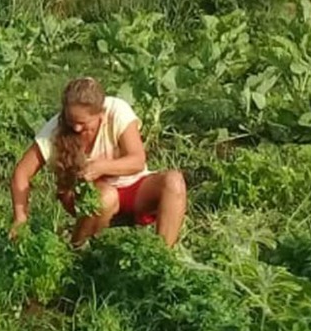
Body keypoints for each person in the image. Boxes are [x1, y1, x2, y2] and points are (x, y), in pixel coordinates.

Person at [9, 76, 188, 247]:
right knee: (106, 197)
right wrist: (20, 218)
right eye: (71, 121)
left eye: (83, 123)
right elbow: (21, 173)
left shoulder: (117, 111)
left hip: (133, 188)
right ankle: (76, 250)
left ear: (101, 113)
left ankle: (163, 257)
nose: (76, 128)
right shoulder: (55, 128)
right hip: (90, 197)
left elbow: (137, 161)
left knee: (174, 182)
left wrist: (101, 167)